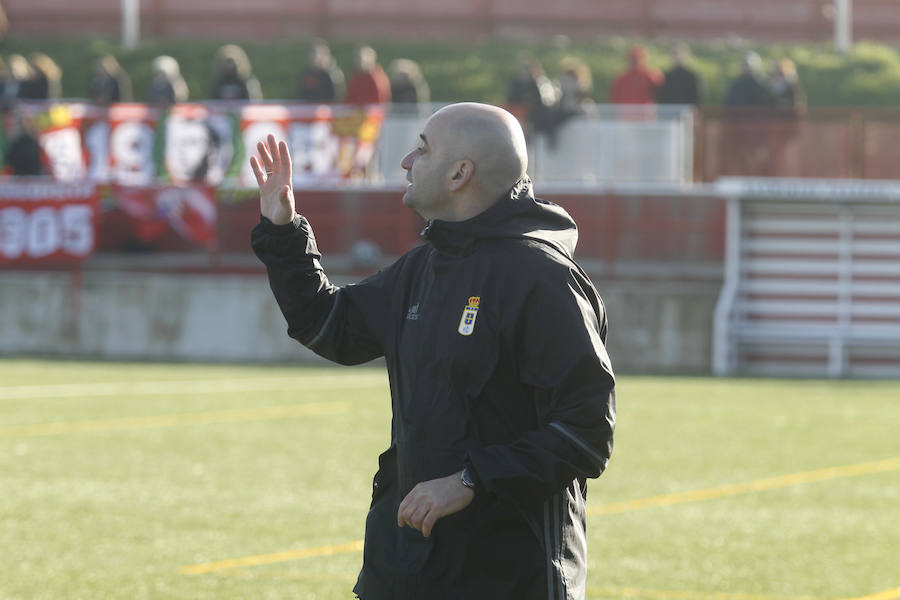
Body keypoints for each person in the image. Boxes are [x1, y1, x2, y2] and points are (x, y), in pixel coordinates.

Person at [250, 103, 616, 599]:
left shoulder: (544, 280)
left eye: (422, 148)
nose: (406, 160)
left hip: (510, 576)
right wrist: (284, 232)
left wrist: (470, 480)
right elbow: (331, 326)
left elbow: (586, 432)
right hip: (407, 568)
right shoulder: (424, 266)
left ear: (459, 173)